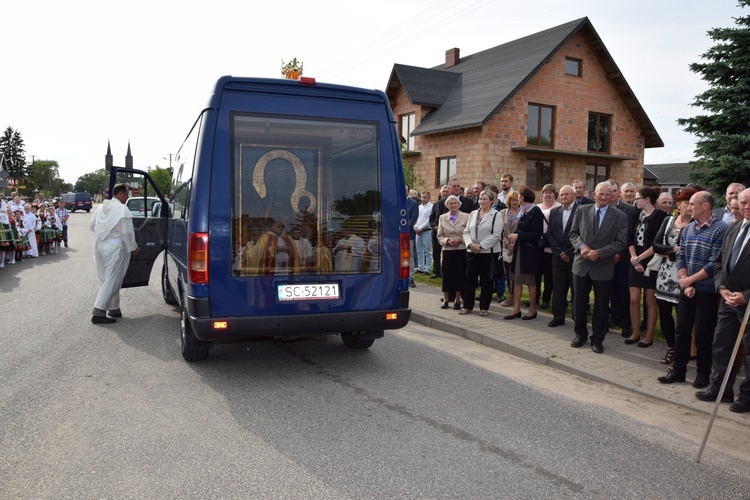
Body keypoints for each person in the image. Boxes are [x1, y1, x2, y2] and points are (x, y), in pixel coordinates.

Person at [658, 191, 727, 386]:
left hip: (706, 289)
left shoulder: (720, 229)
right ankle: (678, 371)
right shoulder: (688, 229)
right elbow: (681, 256)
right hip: (687, 285)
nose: (689, 208)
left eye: (693, 204)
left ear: (705, 206)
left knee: (704, 333)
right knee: (682, 330)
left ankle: (703, 375)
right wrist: (684, 279)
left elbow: (715, 263)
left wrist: (690, 281)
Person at [698, 188, 750, 411]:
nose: (746, 206)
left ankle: (747, 396)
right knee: (721, 345)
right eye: (743, 202)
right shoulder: (735, 226)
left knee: (749, 351)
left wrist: (746, 296)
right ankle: (720, 389)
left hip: (747, 302)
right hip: (728, 299)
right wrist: (720, 287)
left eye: (749, 203)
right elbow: (719, 262)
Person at [568, 182, 628, 353]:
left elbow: (621, 242)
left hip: (603, 267)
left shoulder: (620, 216)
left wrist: (599, 253)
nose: (603, 197)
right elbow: (573, 234)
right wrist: (581, 247)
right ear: (594, 194)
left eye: (607, 194)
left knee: (601, 306)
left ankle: (597, 339)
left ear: (612, 196)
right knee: (579, 303)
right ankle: (580, 334)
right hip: (581, 264)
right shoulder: (581, 210)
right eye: (600, 194)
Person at [651, 188, 695, 365]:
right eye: (688, 203)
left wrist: (670, 252)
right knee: (665, 314)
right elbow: (655, 245)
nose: (691, 207)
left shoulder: (695, 225)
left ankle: (682, 351)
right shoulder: (668, 221)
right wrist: (673, 251)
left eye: (694, 203)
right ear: (679, 204)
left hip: (685, 276)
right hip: (664, 274)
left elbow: (690, 252)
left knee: (683, 317)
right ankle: (670, 347)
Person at [89, 183, 140, 324]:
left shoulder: (101, 207)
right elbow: (128, 232)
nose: (127, 197)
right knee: (112, 278)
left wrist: (104, 235)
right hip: (115, 246)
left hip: (99, 244)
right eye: (126, 194)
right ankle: (98, 311)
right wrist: (133, 246)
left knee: (105, 278)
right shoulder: (122, 209)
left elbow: (92, 225)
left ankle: (113, 307)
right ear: (120, 194)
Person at [624, 186, 668, 347]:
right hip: (634, 261)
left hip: (651, 263)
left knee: (650, 301)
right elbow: (629, 238)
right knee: (634, 299)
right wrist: (634, 258)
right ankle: (635, 332)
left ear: (647, 199)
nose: (635, 202)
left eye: (637, 199)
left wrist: (640, 259)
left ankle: (648, 335)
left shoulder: (661, 217)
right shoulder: (635, 215)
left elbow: (657, 243)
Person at [460, 189, 502, 316]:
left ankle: (484, 307)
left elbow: (496, 235)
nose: (482, 201)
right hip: (472, 251)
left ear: (491, 201)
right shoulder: (473, 213)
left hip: (487, 252)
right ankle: (468, 306)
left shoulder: (496, 215)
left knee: (486, 281)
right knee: (469, 279)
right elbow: (466, 231)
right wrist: (471, 244)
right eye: (480, 199)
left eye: (485, 199)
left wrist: (481, 246)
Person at [505, 186, 544, 321]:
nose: (518, 199)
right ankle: (516, 309)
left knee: (530, 282)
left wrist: (518, 236)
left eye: (520, 196)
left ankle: (532, 309)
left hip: (530, 252)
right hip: (519, 250)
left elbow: (536, 233)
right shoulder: (523, 211)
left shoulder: (535, 211)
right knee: (516, 279)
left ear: (524, 197)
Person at [607, 180, 637, 337]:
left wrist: (619, 254)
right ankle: (613, 317)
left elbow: (630, 235)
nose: (611, 194)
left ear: (618, 192)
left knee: (623, 291)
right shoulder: (601, 208)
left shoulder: (629, 210)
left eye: (613, 191)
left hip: (623, 258)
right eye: (608, 191)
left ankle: (626, 322)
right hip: (605, 258)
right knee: (609, 291)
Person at [546, 185, 577, 327]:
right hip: (557, 257)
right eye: (562, 195)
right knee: (558, 289)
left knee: (576, 289)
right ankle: (558, 317)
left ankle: (577, 317)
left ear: (574, 196)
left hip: (575, 257)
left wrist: (569, 252)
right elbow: (550, 234)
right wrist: (559, 252)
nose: (563, 197)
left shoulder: (581, 211)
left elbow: (582, 234)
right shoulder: (554, 212)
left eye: (567, 195)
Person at [437, 195, 468, 310]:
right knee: (447, 275)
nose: (453, 205)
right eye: (450, 204)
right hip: (448, 250)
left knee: (459, 274)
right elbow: (439, 236)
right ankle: (445, 299)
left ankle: (457, 299)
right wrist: (448, 241)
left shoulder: (466, 217)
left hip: (461, 249)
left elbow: (469, 233)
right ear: (447, 206)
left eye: (455, 203)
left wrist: (461, 240)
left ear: (459, 204)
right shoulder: (442, 217)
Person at [536, 184, 560, 309]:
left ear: (554, 194)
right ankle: (535, 297)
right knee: (537, 273)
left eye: (551, 192)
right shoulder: (537, 207)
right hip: (538, 243)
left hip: (551, 244)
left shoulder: (559, 207)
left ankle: (546, 299)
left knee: (549, 274)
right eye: (545, 192)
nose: (548, 194)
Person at [499, 191, 520, 307]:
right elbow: (500, 231)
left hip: (518, 246)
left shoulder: (522, 212)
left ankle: (514, 295)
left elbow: (522, 229)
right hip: (505, 247)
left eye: (517, 200)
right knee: (507, 273)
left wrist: (514, 244)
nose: (515, 202)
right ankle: (510, 295)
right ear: (509, 201)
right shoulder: (502, 213)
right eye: (513, 200)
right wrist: (507, 244)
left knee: (515, 273)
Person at [428, 185, 450, 278]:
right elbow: (431, 217)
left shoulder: (452, 204)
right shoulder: (436, 204)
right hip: (436, 233)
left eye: (447, 191)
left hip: (448, 233)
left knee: (446, 254)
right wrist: (434, 226)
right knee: (436, 253)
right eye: (443, 191)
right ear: (440, 193)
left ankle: (446, 271)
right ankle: (437, 271)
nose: (445, 193)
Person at [414, 191, 433, 274]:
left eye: (425, 197)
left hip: (427, 231)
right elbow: (416, 218)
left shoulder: (431, 207)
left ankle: (428, 268)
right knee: (419, 250)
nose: (423, 199)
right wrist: (416, 228)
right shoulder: (419, 207)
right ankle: (420, 267)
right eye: (422, 197)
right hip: (418, 231)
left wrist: (421, 228)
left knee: (427, 250)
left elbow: (429, 220)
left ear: (429, 198)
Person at [406, 188, 419, 287]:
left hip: (407, 234)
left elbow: (413, 218)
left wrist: (403, 227)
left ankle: (410, 278)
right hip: (394, 235)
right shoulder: (395, 201)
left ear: (408, 192)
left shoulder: (413, 203)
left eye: (405, 190)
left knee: (408, 256)